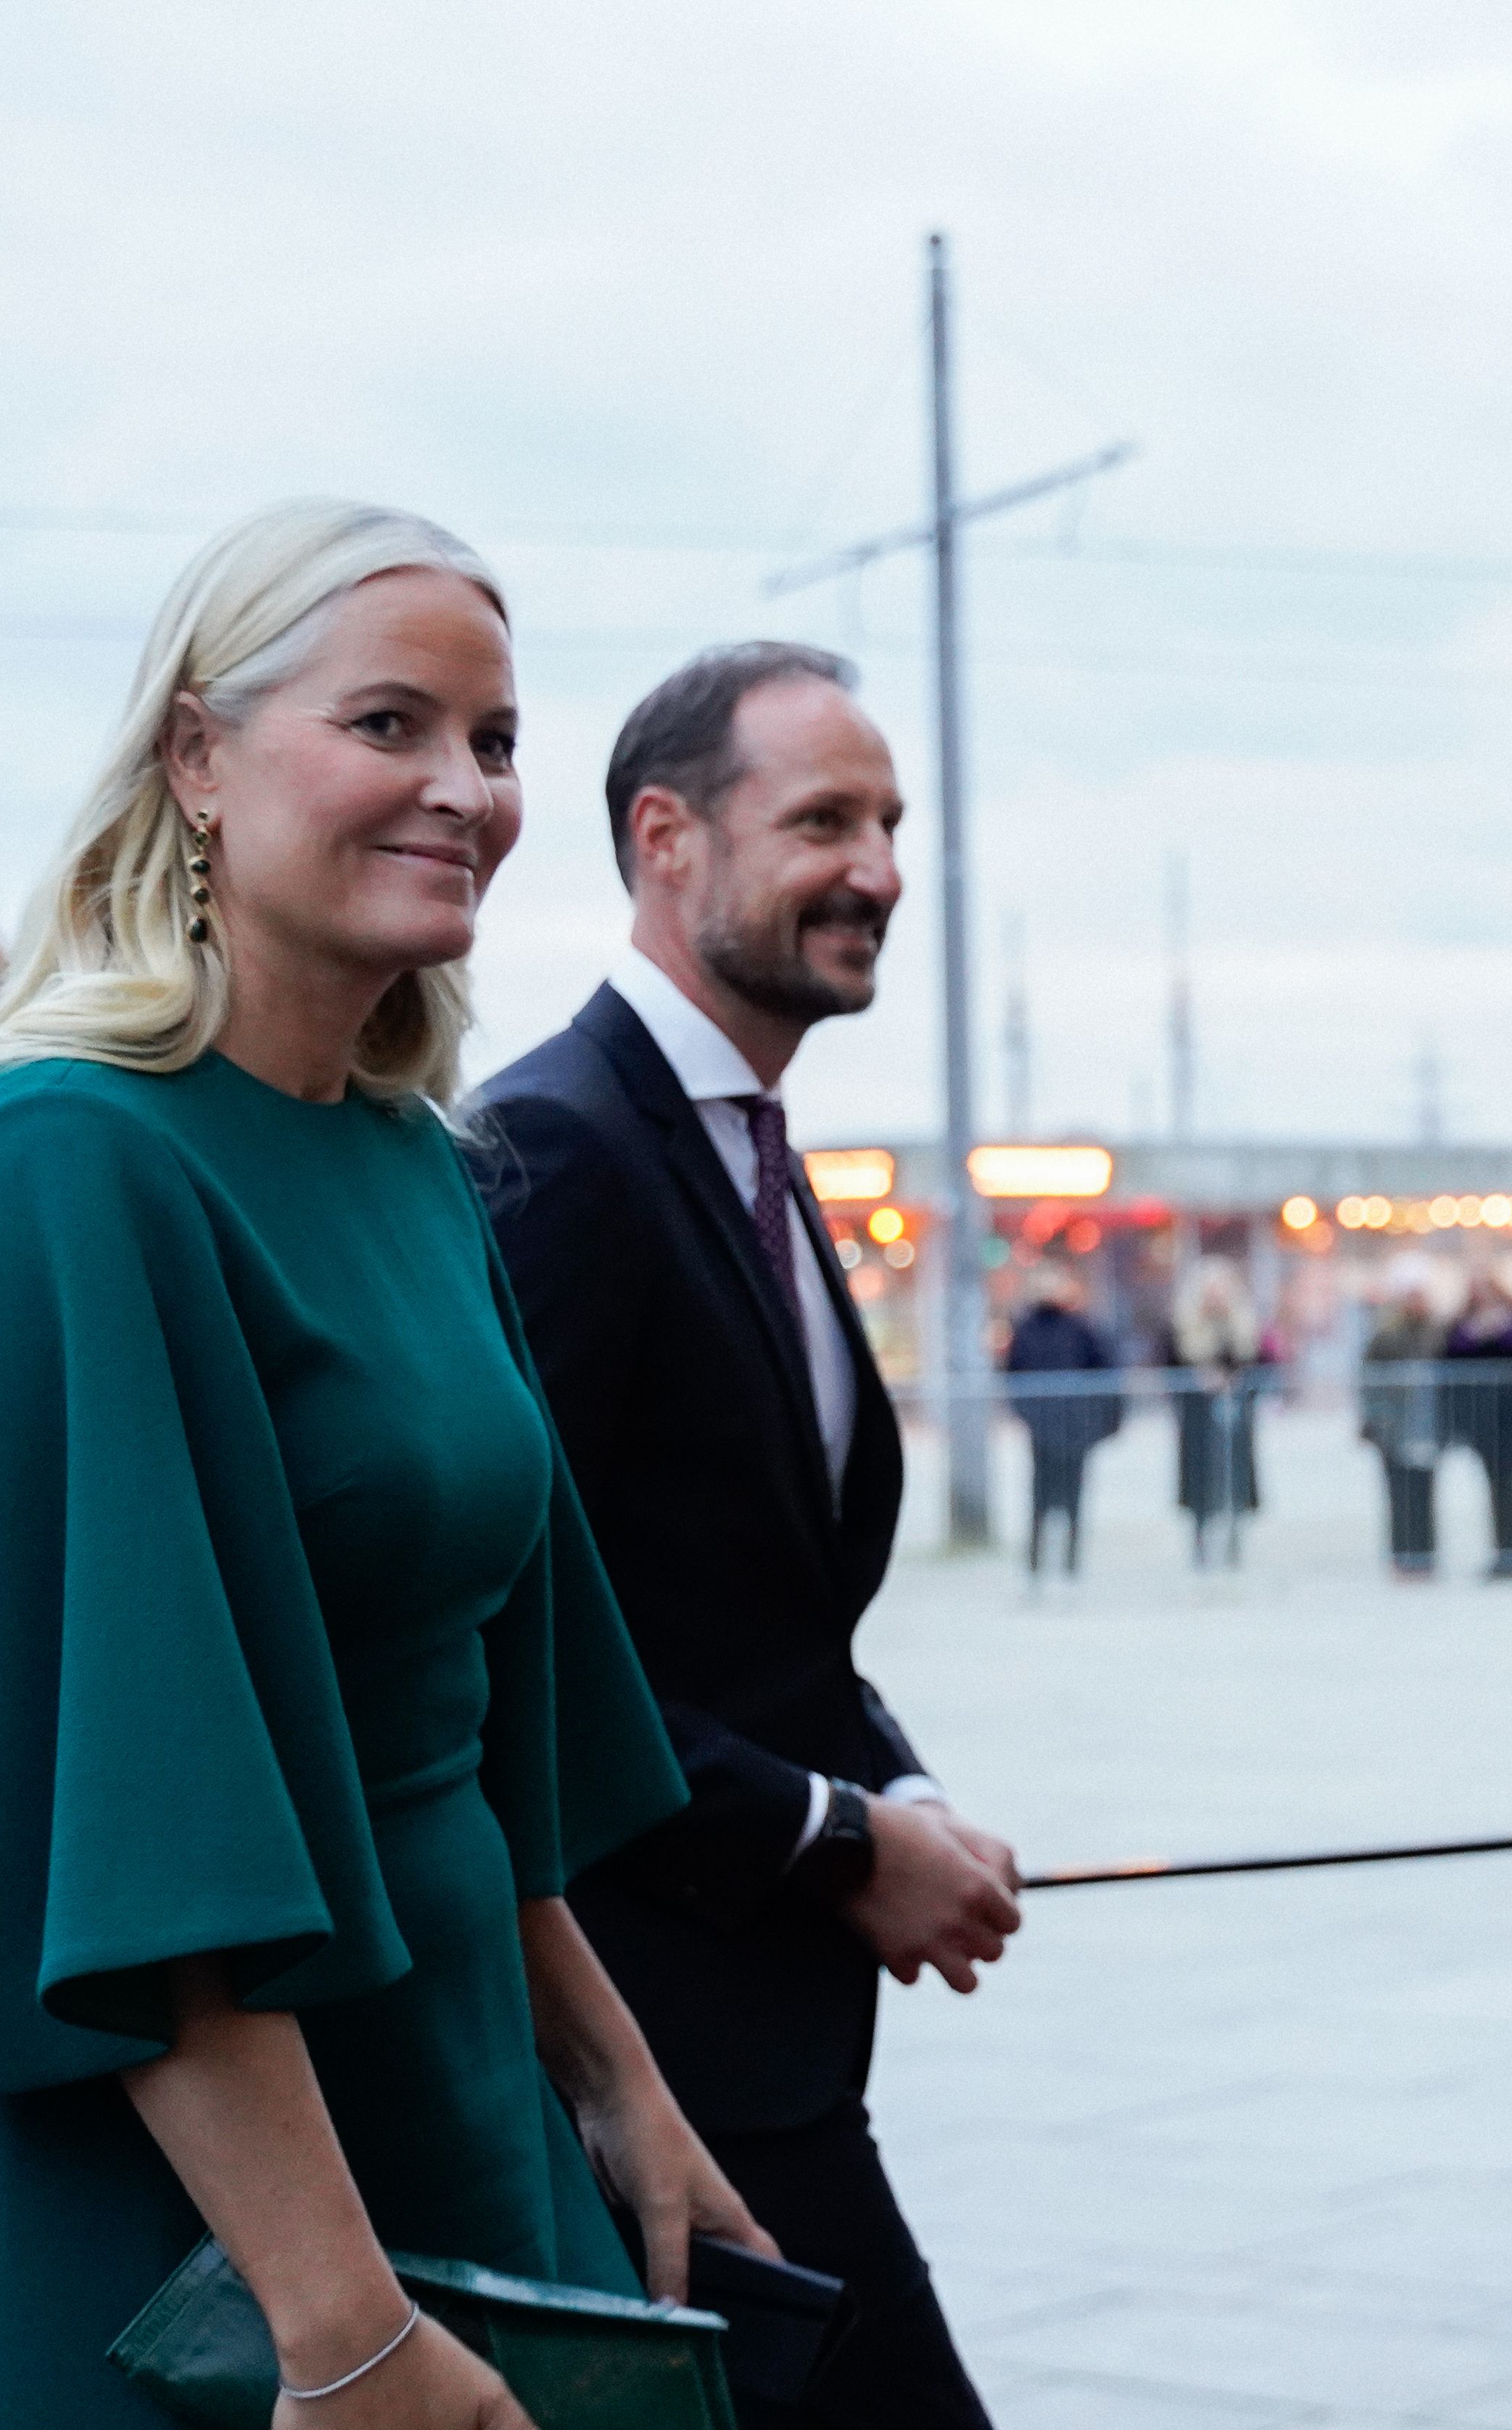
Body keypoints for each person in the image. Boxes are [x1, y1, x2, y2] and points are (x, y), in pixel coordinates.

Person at [0, 501, 762, 2430]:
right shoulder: (56, 1167)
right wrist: (336, 2325)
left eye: (495, 742)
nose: (465, 790)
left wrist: (619, 2090)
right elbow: (116, 1826)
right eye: (390, 725)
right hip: (191, 2188)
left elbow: (486, 1730)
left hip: (445, 2080)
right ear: (195, 758)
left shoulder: (421, 1163)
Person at [479, 636, 1019, 2430]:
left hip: (761, 2035)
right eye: (822, 820)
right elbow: (530, 1647)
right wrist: (836, 1836)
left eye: (888, 822)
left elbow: (759, 1615)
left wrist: (903, 1794)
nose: (875, 867)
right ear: (666, 839)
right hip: (643, 2046)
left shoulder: (748, 1147)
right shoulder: (558, 1151)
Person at [1002, 1263, 1123, 1582]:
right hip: (1042, 1428)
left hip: (1075, 1426)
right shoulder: (1026, 1328)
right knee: (1040, 1495)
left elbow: (1105, 1370)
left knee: (1074, 1495)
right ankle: (1036, 1561)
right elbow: (1013, 1373)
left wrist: (1097, 1419)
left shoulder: (1081, 1327)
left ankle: (1071, 1559)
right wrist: (1028, 1413)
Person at [1159, 1260, 1267, 1569]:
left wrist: (1236, 1380)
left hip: (1235, 1416)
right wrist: (1198, 1379)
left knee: (1235, 1476)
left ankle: (1234, 1542)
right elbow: (1168, 1363)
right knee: (1200, 1479)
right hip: (1197, 1418)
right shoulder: (1184, 1325)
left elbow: (1259, 1360)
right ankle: (1201, 1543)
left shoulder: (1243, 1324)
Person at [1441, 1269, 1512, 1581]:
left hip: (1511, 1415)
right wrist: (1475, 1334)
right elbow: (1449, 1352)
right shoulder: (1461, 1325)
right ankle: (1504, 1548)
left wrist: (1504, 1330)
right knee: (1495, 1485)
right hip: (1481, 1418)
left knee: (1508, 1484)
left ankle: (1511, 1548)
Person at [1362, 1267, 1449, 1579]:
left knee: (1425, 1490)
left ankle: (1426, 1554)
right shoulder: (1386, 1334)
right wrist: (1373, 1422)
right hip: (1393, 1425)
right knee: (1398, 1493)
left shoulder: (1439, 1331)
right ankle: (1402, 1555)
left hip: (1427, 1422)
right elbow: (1370, 1380)